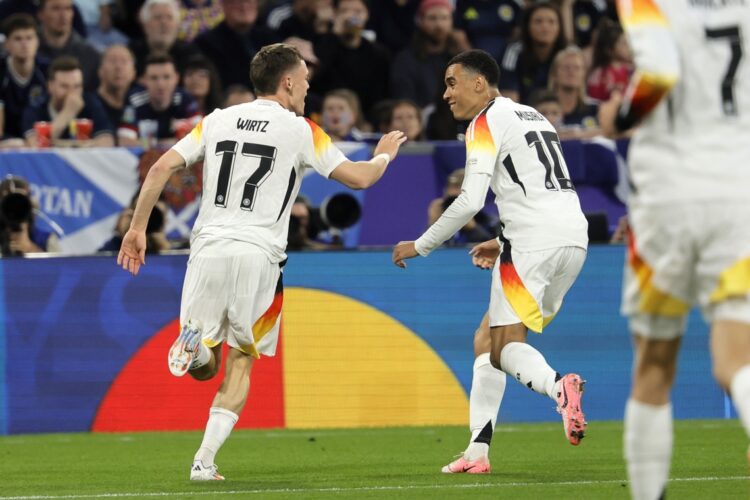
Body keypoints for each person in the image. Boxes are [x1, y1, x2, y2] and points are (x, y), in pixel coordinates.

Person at [117, 42, 406, 481]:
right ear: (287, 81)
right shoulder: (301, 129)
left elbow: (158, 170)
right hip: (259, 255)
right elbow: (361, 177)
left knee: (207, 363)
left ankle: (194, 352)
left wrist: (136, 229)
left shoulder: (216, 120)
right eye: (306, 79)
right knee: (240, 362)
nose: (308, 88)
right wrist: (385, 152)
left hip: (208, 249)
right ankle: (203, 461)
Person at [391, 49, 589, 473]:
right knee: (487, 337)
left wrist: (421, 245)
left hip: (533, 243)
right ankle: (477, 451)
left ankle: (560, 387)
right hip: (573, 238)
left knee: (504, 349)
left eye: (451, 83)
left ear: (478, 83)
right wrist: (501, 241)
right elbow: (536, 188)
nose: (446, 94)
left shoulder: (484, 122)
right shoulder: (532, 115)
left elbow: (470, 200)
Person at [596, 3, 750, 499]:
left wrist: (618, 114)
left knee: (655, 364)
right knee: (736, 362)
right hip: (737, 191)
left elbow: (660, 70)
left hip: (668, 193)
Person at [23, 56, 114, 147]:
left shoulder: (91, 104)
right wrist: (68, 112)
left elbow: (107, 142)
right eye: (64, 86)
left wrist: (62, 144)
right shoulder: (36, 107)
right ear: (50, 86)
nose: (71, 93)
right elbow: (35, 145)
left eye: (77, 86)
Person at [117, 53, 200, 147]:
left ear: (176, 79)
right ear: (144, 80)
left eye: (166, 77)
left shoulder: (184, 99)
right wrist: (161, 144)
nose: (160, 84)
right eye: (154, 78)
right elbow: (124, 141)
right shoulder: (135, 101)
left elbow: (202, 135)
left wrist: (146, 144)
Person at [0, 14, 48, 144]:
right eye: (18, 39)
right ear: (7, 44)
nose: (24, 44)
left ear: (37, 42)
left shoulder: (47, 71)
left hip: (41, 139)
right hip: (6, 141)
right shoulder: (2, 71)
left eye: (29, 38)